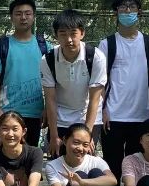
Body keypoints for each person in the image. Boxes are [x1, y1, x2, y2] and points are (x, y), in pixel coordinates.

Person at [98, 0, 149, 186]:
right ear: (116, 13)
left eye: (131, 7)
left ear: (139, 12)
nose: (127, 11)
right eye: (122, 7)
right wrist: (103, 110)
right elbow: (101, 81)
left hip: (141, 117)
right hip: (113, 116)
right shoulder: (107, 44)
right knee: (112, 165)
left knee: (137, 167)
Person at [40, 10, 107, 158]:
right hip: (60, 118)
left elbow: (95, 99)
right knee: (58, 160)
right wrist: (54, 135)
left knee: (84, 162)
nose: (69, 39)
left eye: (73, 33)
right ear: (56, 35)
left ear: (82, 33)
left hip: (88, 117)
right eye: (63, 34)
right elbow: (50, 99)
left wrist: (87, 135)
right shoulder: (48, 59)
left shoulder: (96, 57)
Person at [0, 0, 50, 149]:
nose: (23, 17)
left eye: (28, 13)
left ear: (34, 16)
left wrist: (47, 108)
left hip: (35, 112)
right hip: (8, 112)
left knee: (30, 154)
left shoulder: (45, 46)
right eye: (18, 13)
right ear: (11, 17)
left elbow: (52, 80)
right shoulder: (2, 45)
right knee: (6, 154)